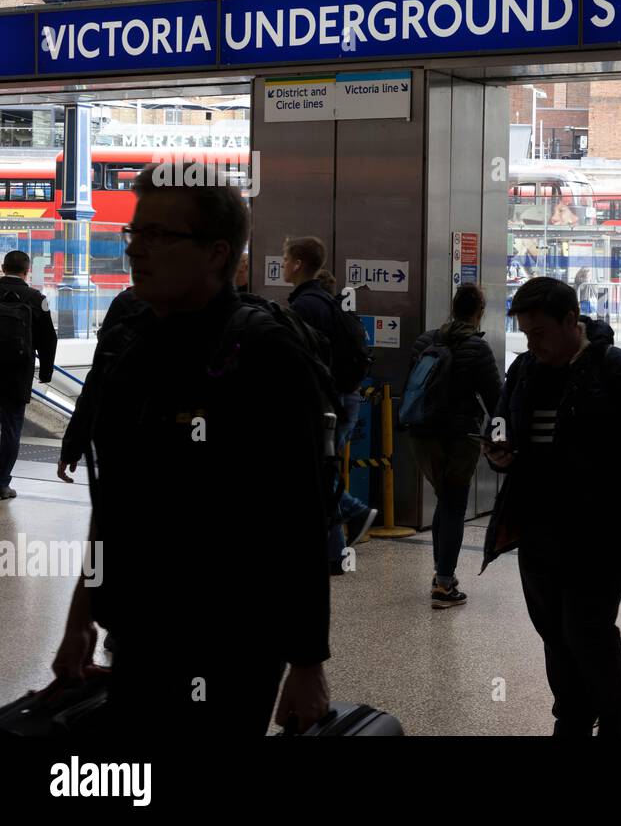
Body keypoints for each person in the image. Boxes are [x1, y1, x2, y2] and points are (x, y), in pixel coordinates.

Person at [51, 167, 331, 734]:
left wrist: (307, 663)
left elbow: (300, 515)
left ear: (215, 253)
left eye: (159, 235)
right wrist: (81, 617)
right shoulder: (136, 350)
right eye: (134, 234)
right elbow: (115, 505)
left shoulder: (263, 354)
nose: (136, 250)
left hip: (230, 643)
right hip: (135, 634)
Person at [480, 277, 621, 736]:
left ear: (572, 321)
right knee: (553, 630)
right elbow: (503, 423)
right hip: (539, 524)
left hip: (603, 528)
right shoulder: (525, 369)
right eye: (526, 334)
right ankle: (572, 715)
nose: (533, 343)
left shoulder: (614, 370)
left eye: (540, 332)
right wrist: (497, 449)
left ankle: (614, 716)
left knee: (586, 627)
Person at [282, 236, 377, 575]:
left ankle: (353, 512)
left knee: (318, 475)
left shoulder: (306, 306)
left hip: (325, 403)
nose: (282, 264)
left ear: (297, 264)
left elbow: (302, 361)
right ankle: (334, 552)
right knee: (322, 473)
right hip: (340, 397)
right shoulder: (323, 301)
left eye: (285, 258)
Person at [408, 283, 501, 608]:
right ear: (478, 312)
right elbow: (496, 400)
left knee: (444, 501)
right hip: (459, 437)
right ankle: (444, 584)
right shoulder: (477, 348)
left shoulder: (425, 341)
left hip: (422, 436)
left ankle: (441, 575)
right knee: (454, 504)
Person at [58, 287, 146, 484]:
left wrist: (71, 449)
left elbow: (93, 393)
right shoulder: (192, 307)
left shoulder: (125, 307)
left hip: (119, 441)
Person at [0, 250, 56, 500]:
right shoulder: (37, 298)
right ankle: (2, 484)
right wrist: (46, 372)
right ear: (27, 270)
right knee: (11, 428)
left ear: (3, 267)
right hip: (17, 373)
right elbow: (48, 340)